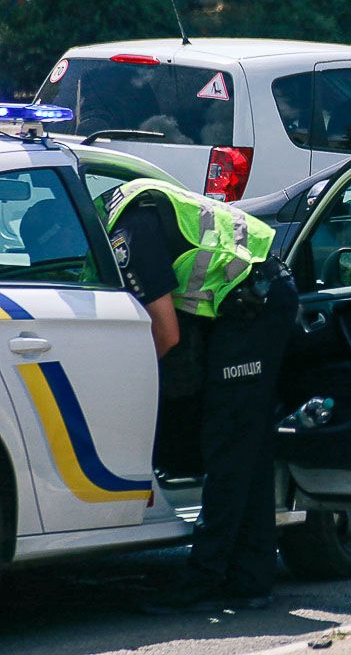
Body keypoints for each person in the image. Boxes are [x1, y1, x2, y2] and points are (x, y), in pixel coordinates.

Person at [99, 178, 298, 613]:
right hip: (257, 293)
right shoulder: (133, 201)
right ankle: (250, 580)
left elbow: (166, 335)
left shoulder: (125, 233)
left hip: (253, 300)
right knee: (248, 444)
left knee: (228, 441)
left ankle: (204, 578)